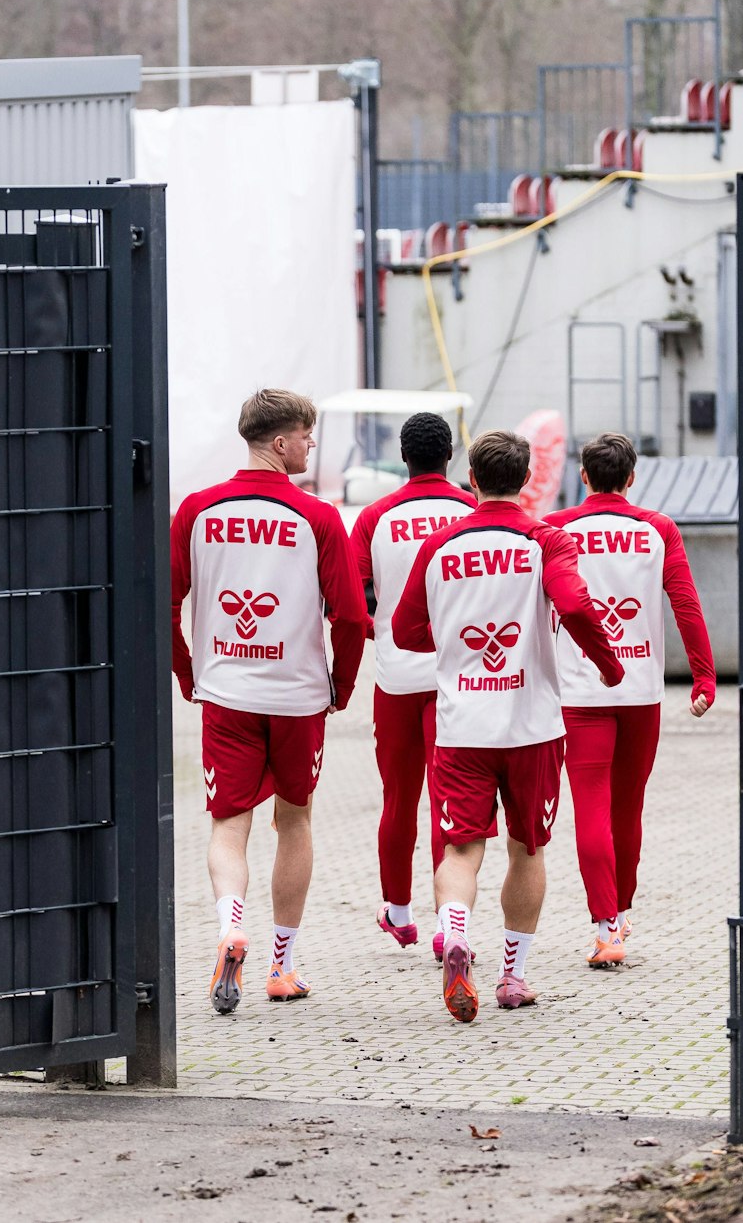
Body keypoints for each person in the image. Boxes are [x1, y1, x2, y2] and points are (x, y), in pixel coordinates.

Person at [391, 430, 624, 1022]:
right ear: (525, 481)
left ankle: (456, 929)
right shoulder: (547, 540)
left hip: (462, 725)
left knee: (462, 848)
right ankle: (513, 978)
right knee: (527, 848)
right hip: (532, 727)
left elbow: (403, 630)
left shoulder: (439, 545)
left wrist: (451, 645)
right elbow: (573, 605)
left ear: (471, 479)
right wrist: (606, 663)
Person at [171, 389, 372, 1014]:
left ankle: (231, 926)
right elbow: (350, 613)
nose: (311, 447)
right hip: (296, 694)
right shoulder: (316, 516)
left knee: (229, 824)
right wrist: (343, 682)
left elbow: (164, 601)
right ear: (279, 443)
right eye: (306, 437)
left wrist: (188, 671)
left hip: (227, 690)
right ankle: (282, 966)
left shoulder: (197, 511)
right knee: (295, 819)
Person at [545, 433, 716, 969]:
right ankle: (621, 910)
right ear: (632, 478)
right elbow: (685, 602)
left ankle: (604, 928)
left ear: (584, 475)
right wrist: (704, 678)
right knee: (629, 809)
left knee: (591, 807)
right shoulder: (657, 529)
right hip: (641, 690)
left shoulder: (555, 529)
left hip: (580, 689)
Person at [349, 413, 477, 957]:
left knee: (398, 798)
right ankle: (450, 921)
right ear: (451, 455)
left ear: (403, 456)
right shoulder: (474, 511)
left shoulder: (376, 516)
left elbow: (353, 598)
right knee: (449, 801)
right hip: (461, 675)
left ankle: (399, 913)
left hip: (397, 676)